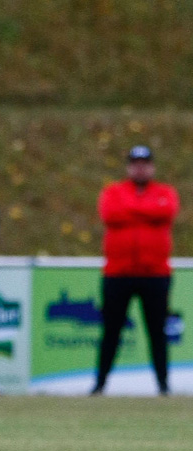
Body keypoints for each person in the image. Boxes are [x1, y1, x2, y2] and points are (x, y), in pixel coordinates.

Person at [92, 145, 179, 396]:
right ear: (129, 166)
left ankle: (163, 385)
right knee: (111, 331)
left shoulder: (165, 192)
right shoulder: (114, 191)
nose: (140, 168)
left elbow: (166, 211)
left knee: (157, 331)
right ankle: (100, 384)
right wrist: (147, 213)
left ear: (151, 166)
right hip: (118, 273)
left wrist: (131, 210)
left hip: (155, 274)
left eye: (145, 163)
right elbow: (110, 215)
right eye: (135, 163)